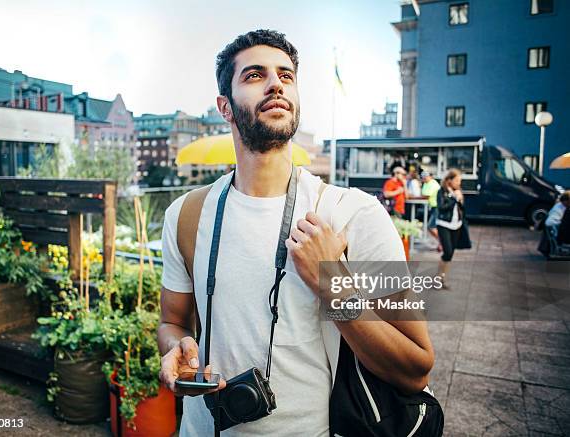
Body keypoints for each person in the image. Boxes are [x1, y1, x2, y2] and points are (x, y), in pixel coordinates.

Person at [157, 29, 434, 436]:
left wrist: (334, 285)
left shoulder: (355, 215)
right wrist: (175, 350)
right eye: (254, 75)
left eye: (286, 76)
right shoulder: (186, 215)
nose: (275, 84)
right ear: (225, 106)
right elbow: (172, 322)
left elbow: (415, 368)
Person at [436, 169, 465, 287]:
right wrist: (454, 199)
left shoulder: (458, 191)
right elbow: (441, 207)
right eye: (457, 180)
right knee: (447, 252)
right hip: (444, 224)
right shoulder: (441, 191)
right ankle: (439, 278)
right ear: (449, 180)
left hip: (456, 225)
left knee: (450, 254)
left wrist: (461, 200)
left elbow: (463, 209)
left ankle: (442, 278)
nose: (459, 183)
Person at [421, 171, 441, 249]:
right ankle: (441, 243)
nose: (424, 178)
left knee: (431, 226)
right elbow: (423, 194)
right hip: (432, 207)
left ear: (430, 176)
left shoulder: (433, 183)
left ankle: (442, 242)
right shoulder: (426, 183)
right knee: (433, 226)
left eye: (426, 176)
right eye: (423, 177)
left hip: (437, 207)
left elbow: (426, 196)